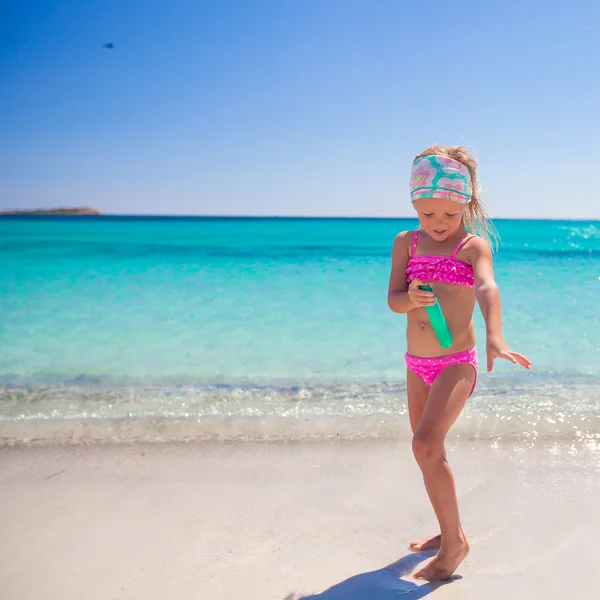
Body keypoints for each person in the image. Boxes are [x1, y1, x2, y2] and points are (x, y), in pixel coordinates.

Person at [387, 145, 531, 581]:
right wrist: (409, 298)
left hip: (456, 363)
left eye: (448, 214)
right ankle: (449, 530)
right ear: (414, 205)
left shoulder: (472, 246)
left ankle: (455, 546)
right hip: (417, 363)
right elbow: (393, 301)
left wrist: (495, 336)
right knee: (429, 452)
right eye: (426, 214)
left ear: (465, 202)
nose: (437, 224)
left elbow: (487, 288)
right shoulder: (405, 243)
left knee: (425, 445)